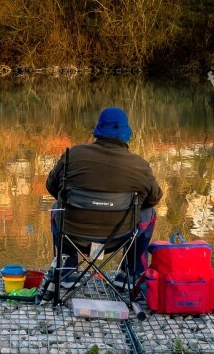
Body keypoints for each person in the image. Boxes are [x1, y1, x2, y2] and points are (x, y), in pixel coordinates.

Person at [46, 107, 163, 286]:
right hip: (120, 237)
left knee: (58, 209)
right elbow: (154, 199)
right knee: (149, 213)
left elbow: (52, 187)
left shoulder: (73, 155)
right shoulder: (139, 166)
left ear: (98, 130)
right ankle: (131, 274)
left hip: (74, 235)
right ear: (126, 133)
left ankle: (67, 270)